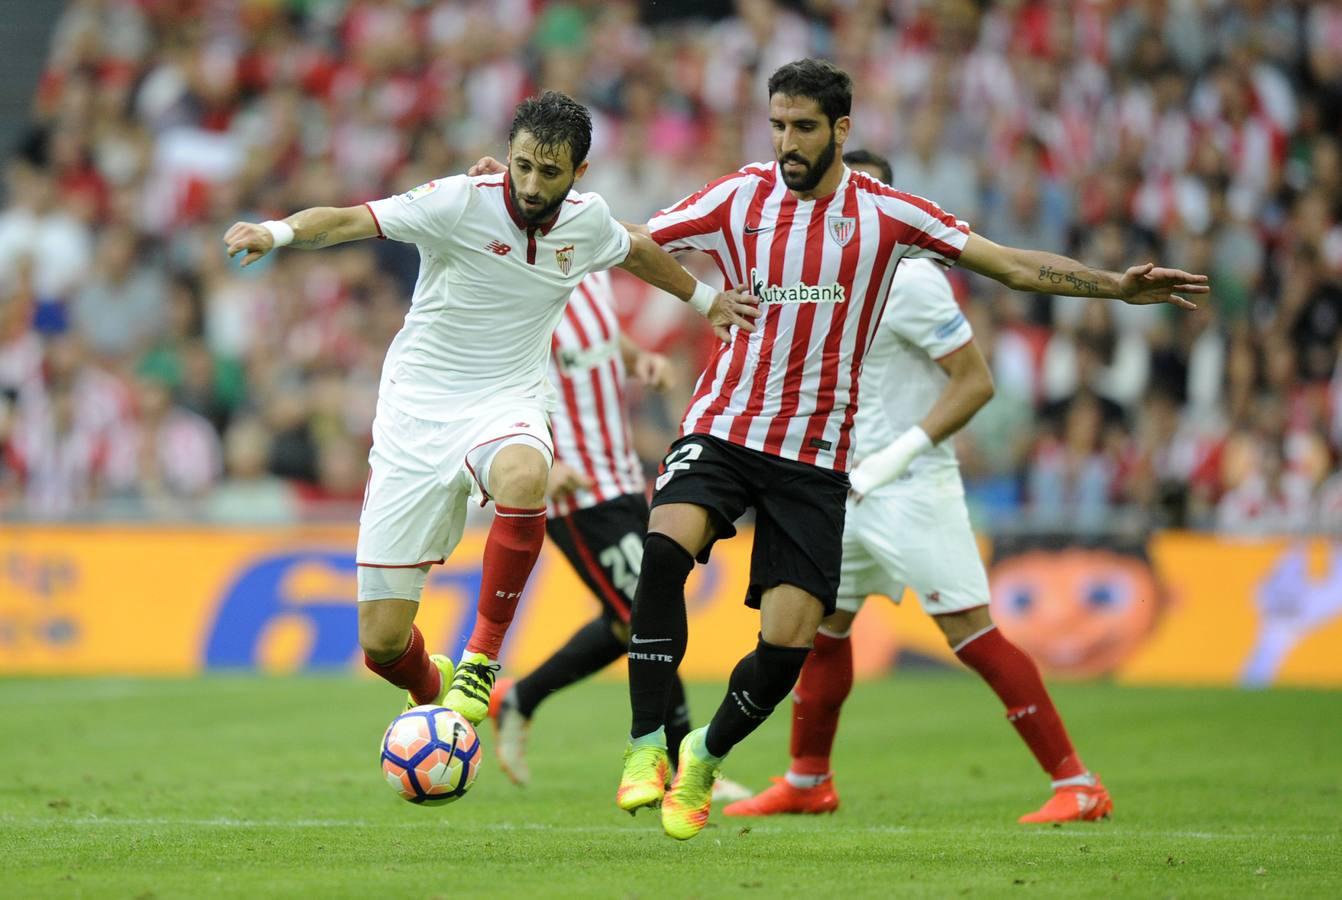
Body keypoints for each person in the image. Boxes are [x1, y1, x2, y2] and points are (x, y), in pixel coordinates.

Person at [471, 60, 1204, 841]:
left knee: (788, 647)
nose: (786, 142)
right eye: (778, 124)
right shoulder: (740, 195)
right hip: (722, 427)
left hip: (815, 457)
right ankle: (646, 746)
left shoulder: (889, 216)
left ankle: (705, 756)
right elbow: (625, 238)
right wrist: (511, 199)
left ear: (841, 131)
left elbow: (1014, 266)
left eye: (804, 128)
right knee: (662, 551)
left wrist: (1114, 288)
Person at [224, 91, 759, 727]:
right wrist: (276, 231)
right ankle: (432, 691)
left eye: (550, 172)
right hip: (416, 416)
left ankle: (481, 659)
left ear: (578, 174)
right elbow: (348, 220)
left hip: (508, 399)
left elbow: (636, 250)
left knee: (525, 473)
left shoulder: (586, 221)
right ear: (509, 155)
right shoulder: (458, 202)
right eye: (523, 165)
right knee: (382, 643)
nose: (531, 185)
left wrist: (705, 301)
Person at [721, 151, 1112, 825]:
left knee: (971, 632)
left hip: (910, 488)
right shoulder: (819, 275)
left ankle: (1078, 784)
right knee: (824, 630)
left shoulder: (913, 280)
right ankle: (808, 778)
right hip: (841, 485)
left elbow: (976, 382)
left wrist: (892, 459)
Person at [486, 269, 749, 802]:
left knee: (626, 619)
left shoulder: (590, 267)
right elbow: (493, 379)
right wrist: (545, 460)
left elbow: (601, 337)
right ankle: (681, 764)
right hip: (576, 489)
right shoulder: (525, 283)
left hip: (621, 476)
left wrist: (637, 361)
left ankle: (521, 698)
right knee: (644, 615)